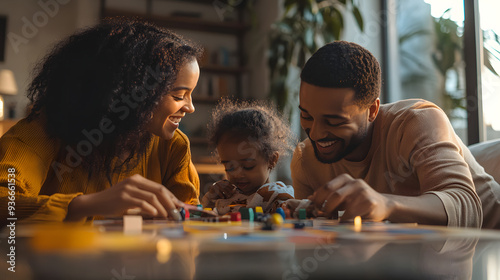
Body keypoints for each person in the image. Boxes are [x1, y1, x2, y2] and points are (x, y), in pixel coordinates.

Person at [0, 19, 204, 226]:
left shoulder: (174, 145)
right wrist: (86, 205)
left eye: (190, 95)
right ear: (130, 90)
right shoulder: (42, 131)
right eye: (179, 96)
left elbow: (187, 218)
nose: (190, 107)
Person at [291, 41, 500, 229]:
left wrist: (386, 204)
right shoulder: (305, 159)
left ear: (373, 110)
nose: (316, 133)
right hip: (419, 261)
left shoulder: (416, 122)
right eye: (306, 116)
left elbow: (467, 207)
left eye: (334, 121)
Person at [201, 98, 296, 215]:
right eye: (229, 167)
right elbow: (203, 217)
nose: (237, 174)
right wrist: (211, 198)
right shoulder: (226, 195)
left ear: (271, 160)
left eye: (247, 166)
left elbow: (292, 214)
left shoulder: (276, 195)